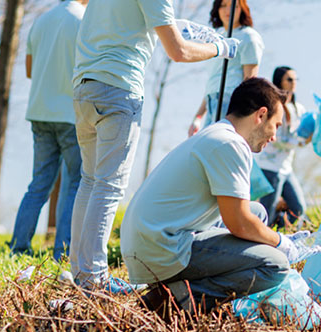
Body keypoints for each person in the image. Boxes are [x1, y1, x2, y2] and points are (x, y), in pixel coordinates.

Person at [70, 0, 239, 294]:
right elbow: (179, 51)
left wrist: (177, 25)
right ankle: (95, 279)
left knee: (90, 181)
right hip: (119, 90)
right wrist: (221, 49)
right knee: (108, 186)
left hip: (85, 87)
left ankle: (82, 273)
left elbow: (129, 23)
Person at [120, 78, 297, 315]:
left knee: (258, 212)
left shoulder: (216, 134)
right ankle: (176, 300)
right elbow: (239, 224)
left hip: (150, 239)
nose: (274, 136)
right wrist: (280, 242)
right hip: (160, 248)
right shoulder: (230, 144)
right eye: (276, 124)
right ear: (261, 115)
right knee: (275, 265)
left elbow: (244, 216)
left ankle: (192, 289)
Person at [9, 0, 87, 262]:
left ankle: (18, 249)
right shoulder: (84, 21)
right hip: (70, 115)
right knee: (74, 183)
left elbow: (30, 70)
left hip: (39, 112)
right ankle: (61, 254)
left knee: (39, 184)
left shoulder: (40, 20)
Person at [189, 0, 264, 134]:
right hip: (212, 101)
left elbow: (249, 81)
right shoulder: (216, 38)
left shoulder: (248, 36)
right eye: (223, 5)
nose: (228, 10)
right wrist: (198, 116)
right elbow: (213, 81)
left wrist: (241, 113)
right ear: (217, 9)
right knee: (205, 149)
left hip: (230, 101)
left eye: (233, 6)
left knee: (219, 148)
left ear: (242, 9)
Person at [255, 66, 307, 228]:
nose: (293, 83)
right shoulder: (274, 106)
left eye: (295, 79)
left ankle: (275, 233)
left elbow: (301, 133)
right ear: (280, 82)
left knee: (298, 208)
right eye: (289, 79)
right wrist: (297, 142)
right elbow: (273, 136)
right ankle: (260, 240)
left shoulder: (299, 108)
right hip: (270, 166)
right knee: (266, 212)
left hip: (286, 167)